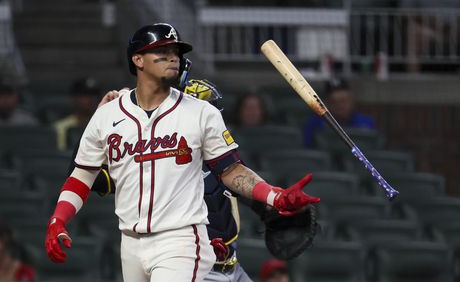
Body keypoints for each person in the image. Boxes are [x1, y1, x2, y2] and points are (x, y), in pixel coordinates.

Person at [44, 23, 320, 282]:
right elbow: (85, 174)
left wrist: (276, 199)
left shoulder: (202, 120)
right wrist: (59, 218)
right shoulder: (114, 119)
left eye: (175, 52)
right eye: (162, 52)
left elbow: (236, 174)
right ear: (138, 60)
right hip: (133, 242)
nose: (172, 57)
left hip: (197, 252)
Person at [302, 79, 376, 148]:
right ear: (326, 103)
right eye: (334, 102)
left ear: (352, 101)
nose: (340, 106)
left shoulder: (367, 123)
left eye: (343, 101)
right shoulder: (315, 124)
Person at [54, 77, 102, 151]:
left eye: (95, 95)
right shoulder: (60, 127)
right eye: (85, 95)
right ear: (74, 99)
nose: (92, 99)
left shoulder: (105, 126)